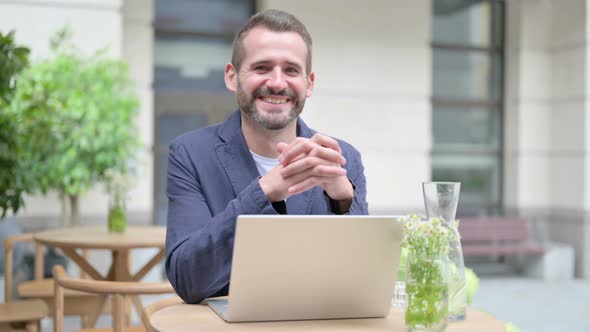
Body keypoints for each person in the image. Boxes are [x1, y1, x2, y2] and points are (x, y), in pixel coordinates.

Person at [165, 9, 368, 304]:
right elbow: (187, 279)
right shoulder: (189, 154)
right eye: (261, 67)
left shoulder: (343, 158)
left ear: (309, 83)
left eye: (291, 70)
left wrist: (345, 201)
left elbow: (362, 279)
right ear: (232, 77)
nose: (276, 82)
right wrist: (262, 193)